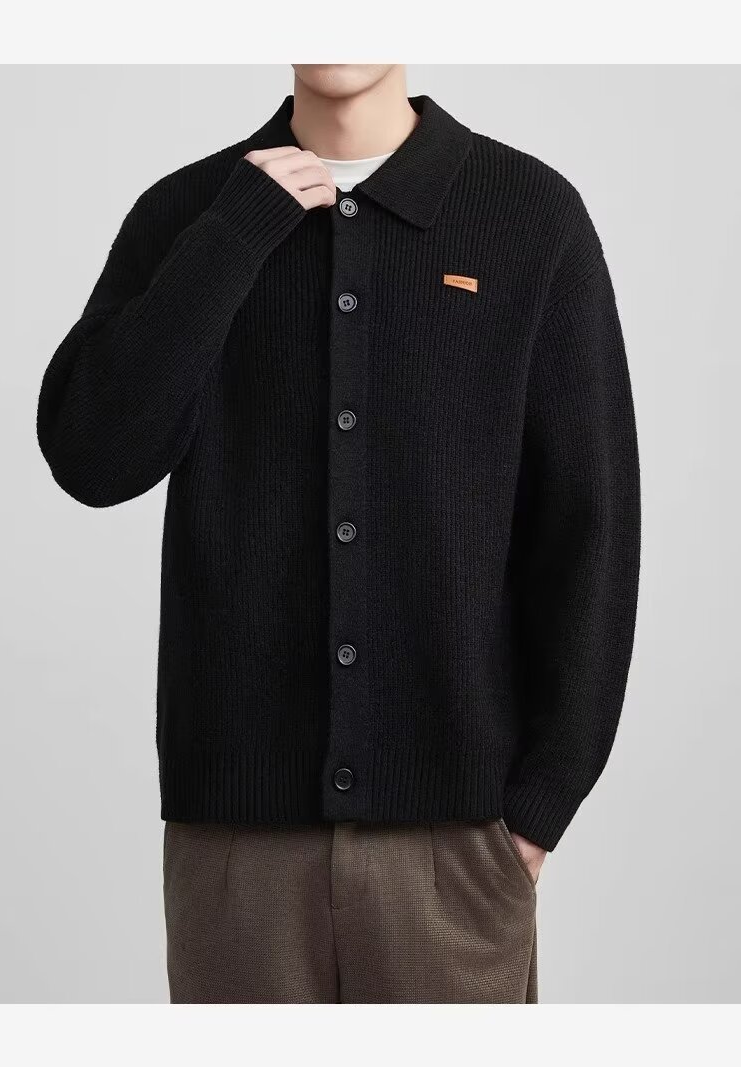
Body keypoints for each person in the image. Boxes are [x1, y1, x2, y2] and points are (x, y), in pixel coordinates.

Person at [36, 63, 640, 1003]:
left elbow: (590, 521)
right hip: (236, 847)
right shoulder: (190, 212)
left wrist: (541, 801)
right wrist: (234, 235)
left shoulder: (528, 214)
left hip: (455, 842)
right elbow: (94, 458)